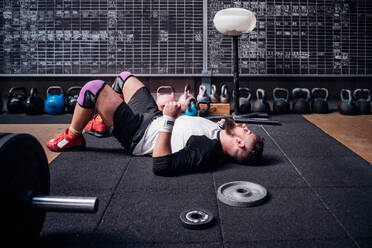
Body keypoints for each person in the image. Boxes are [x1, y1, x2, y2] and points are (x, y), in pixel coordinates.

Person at [46, 72, 264, 176]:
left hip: (138, 134)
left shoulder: (206, 151)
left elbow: (161, 166)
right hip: (152, 118)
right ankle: (104, 120)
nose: (246, 127)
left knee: (93, 88)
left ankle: (73, 136)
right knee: (124, 78)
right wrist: (181, 107)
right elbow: (221, 122)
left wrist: (169, 119)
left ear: (239, 143)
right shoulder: (218, 132)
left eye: (247, 132)